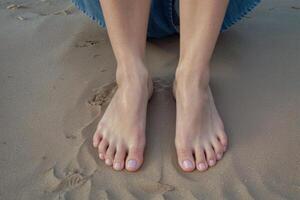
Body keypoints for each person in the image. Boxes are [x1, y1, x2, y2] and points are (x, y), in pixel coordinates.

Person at [72, 0, 260, 172]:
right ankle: (131, 77)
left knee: (192, 78)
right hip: (115, 12)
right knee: (131, 76)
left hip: (213, 13)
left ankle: (192, 79)